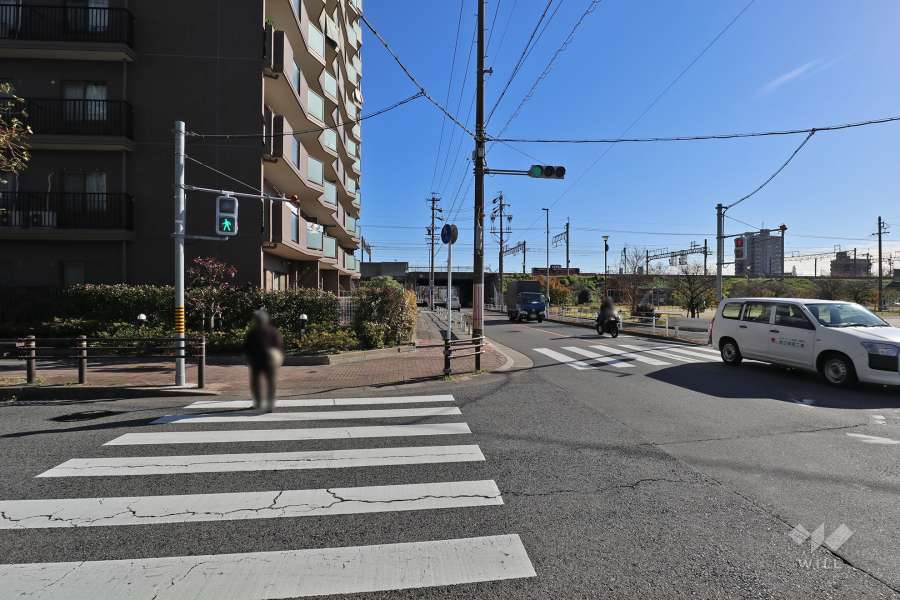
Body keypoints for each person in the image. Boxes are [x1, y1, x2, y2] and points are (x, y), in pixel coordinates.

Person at [243, 309, 283, 412]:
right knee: (267, 383)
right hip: (263, 360)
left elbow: (247, 348)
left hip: (263, 360)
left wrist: (248, 358)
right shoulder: (271, 331)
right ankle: (264, 403)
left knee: (263, 383)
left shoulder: (254, 333)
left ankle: (263, 403)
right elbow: (278, 346)